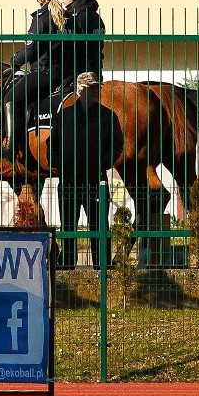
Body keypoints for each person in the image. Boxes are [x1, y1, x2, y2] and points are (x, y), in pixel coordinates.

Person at [0, 0, 68, 159]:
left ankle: (10, 148)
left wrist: (16, 60)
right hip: (63, 71)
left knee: (10, 99)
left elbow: (32, 47)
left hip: (45, 71)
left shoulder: (42, 18)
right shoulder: (65, 16)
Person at [54, 72, 121, 269]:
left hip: (95, 182)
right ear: (79, 90)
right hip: (68, 181)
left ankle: (103, 266)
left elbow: (117, 145)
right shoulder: (63, 117)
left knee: (99, 225)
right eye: (89, 88)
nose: (94, 92)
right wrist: (59, 162)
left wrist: (102, 162)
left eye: (96, 88)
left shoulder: (107, 117)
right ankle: (67, 264)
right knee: (68, 226)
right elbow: (53, 144)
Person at [58, 0, 106, 81]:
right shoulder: (95, 17)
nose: (61, 1)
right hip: (95, 72)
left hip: (78, 75)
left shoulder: (76, 17)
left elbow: (71, 48)